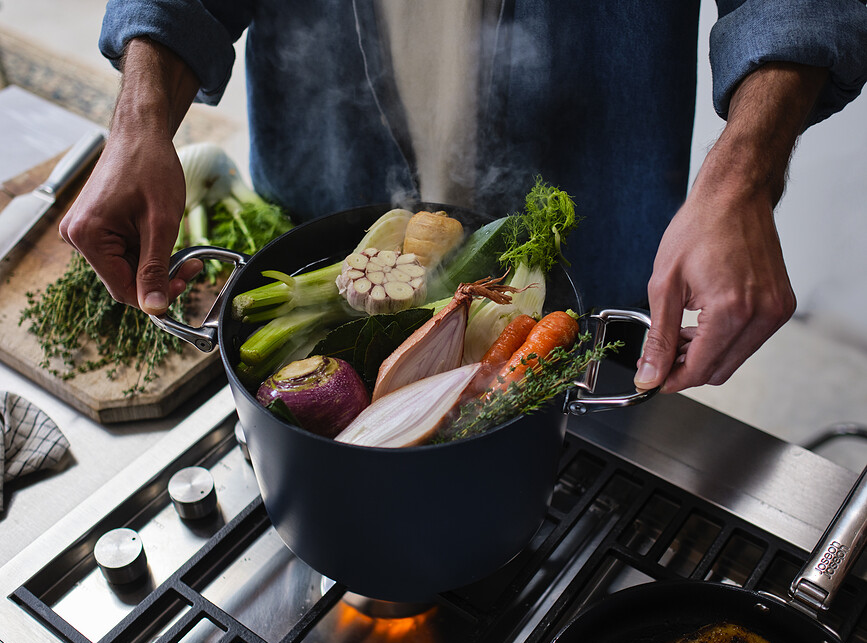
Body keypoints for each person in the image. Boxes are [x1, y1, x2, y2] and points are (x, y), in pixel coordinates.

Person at [60, 1, 867, 394]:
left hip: (586, 238)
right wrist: (140, 115)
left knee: (577, 436)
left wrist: (742, 178)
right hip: (329, 215)